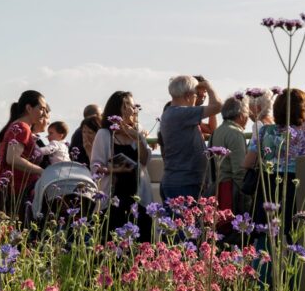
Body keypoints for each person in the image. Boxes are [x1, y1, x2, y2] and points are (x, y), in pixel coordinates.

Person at [243, 89, 305, 240]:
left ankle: (264, 263)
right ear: (301, 111)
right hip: (298, 187)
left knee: (265, 235)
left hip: (268, 187)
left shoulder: (265, 131)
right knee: (294, 234)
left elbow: (247, 163)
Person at [90, 91, 153, 242]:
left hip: (138, 199)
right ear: (121, 108)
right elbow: (95, 167)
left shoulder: (137, 132)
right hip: (113, 199)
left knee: (141, 244)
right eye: (131, 106)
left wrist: (137, 137)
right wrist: (116, 170)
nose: (134, 110)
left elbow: (145, 161)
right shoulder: (104, 134)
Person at [159, 76, 222, 201]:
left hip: (181, 181)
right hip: (184, 184)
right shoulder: (181, 113)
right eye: (195, 95)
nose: (196, 98)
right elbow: (218, 106)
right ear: (188, 95)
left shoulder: (171, 113)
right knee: (185, 221)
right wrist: (209, 87)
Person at [0, 90, 48, 219]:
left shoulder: (20, 126)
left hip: (14, 191)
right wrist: (40, 171)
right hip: (17, 193)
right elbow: (12, 158)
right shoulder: (22, 127)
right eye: (41, 109)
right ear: (29, 108)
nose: (44, 113)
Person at [210, 96, 250, 216]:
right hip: (231, 191)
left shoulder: (217, 131)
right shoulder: (236, 133)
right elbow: (239, 170)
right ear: (242, 115)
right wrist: (247, 196)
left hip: (219, 187)